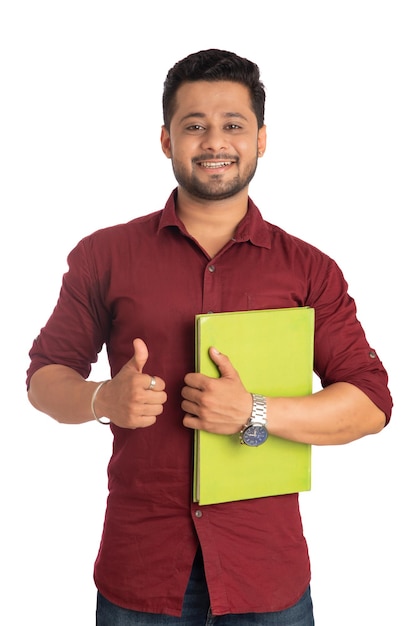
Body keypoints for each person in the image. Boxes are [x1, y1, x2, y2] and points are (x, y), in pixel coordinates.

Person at [27, 49, 392, 625]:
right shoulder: (104, 255)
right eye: (194, 126)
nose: (214, 141)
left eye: (233, 125)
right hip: (141, 568)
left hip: (264, 574)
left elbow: (371, 403)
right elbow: (45, 378)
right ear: (167, 140)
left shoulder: (308, 269)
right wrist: (103, 399)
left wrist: (254, 411)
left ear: (261, 139)